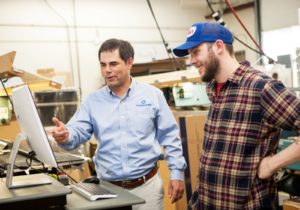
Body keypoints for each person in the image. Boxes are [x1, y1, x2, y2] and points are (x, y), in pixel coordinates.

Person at [173, 22, 300, 210]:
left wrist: (272, 165)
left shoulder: (261, 88)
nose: (192, 60)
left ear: (218, 46)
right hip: (207, 202)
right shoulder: (213, 88)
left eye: (196, 52)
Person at [51, 38, 187, 210]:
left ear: (129, 63)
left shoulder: (153, 96)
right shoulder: (93, 101)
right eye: (103, 65)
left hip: (148, 189)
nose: (107, 70)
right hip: (108, 190)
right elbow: (77, 132)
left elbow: (170, 137)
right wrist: (66, 136)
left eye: (113, 64)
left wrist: (176, 174)